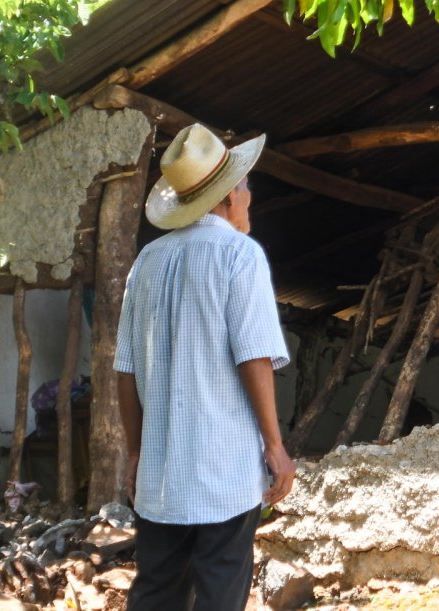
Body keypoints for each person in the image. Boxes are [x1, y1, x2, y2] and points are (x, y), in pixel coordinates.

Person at [115, 123, 296, 611]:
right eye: (246, 186)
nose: (249, 196)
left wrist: (136, 455)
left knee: (156, 592)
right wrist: (275, 447)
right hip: (225, 470)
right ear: (230, 197)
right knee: (220, 590)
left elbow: (126, 371)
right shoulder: (239, 256)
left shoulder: (146, 263)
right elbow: (253, 355)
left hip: (162, 474)